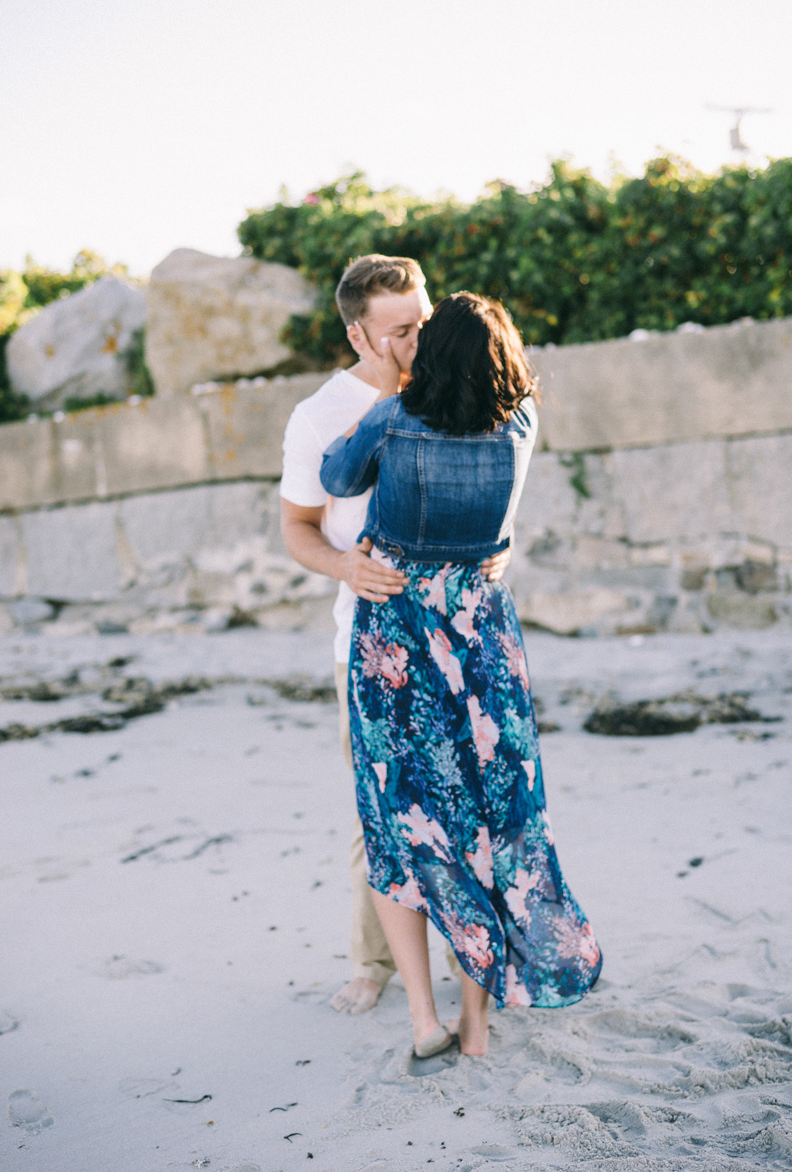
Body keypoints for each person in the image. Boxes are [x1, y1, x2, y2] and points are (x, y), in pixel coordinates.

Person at [320, 293, 602, 1058]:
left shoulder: (395, 419)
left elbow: (338, 477)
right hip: (481, 637)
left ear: (431, 353)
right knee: (483, 821)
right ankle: (477, 1027)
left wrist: (385, 394)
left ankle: (423, 1021)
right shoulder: (521, 423)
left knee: (399, 824)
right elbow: (497, 525)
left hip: (398, 638)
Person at [280, 257, 510, 1015]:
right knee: (378, 814)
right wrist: (345, 566)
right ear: (360, 334)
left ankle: (471, 962)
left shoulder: (457, 386)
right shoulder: (319, 416)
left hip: (457, 639)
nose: (420, 338)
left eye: (425, 320)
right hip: (370, 645)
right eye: (402, 330)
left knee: (468, 807)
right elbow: (298, 529)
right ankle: (372, 961)